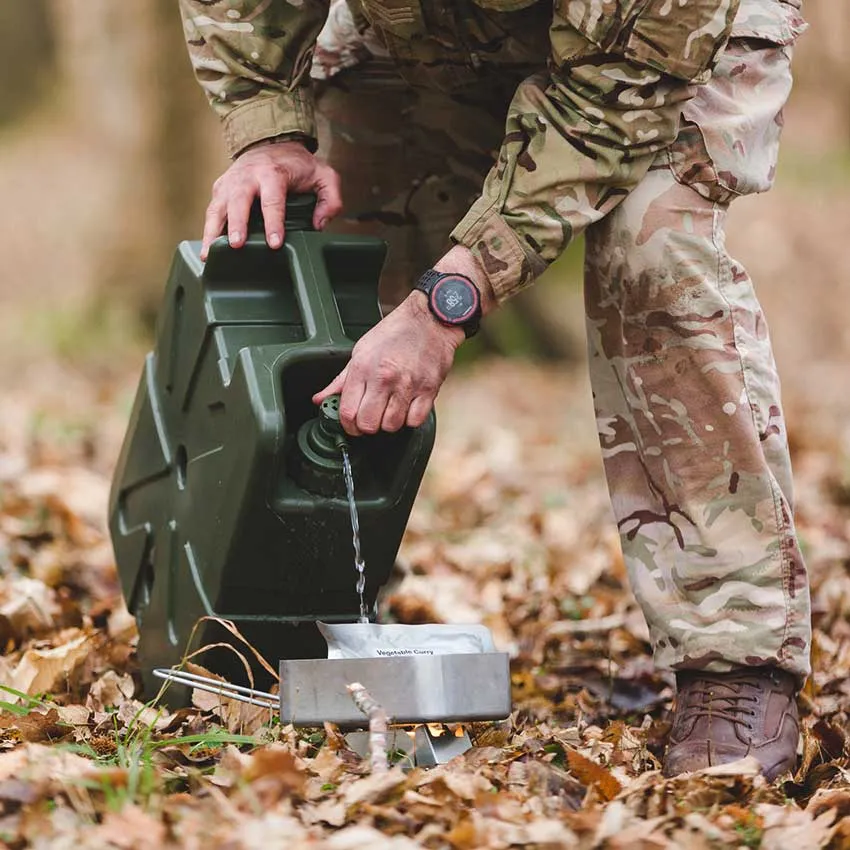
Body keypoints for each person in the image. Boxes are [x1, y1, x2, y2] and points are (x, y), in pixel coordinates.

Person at [178, 0, 810, 780]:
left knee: (654, 247)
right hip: (419, 31)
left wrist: (449, 299)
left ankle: (735, 659)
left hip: (654, 57)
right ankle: (292, 600)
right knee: (311, 225)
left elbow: (615, 100)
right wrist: (265, 128)